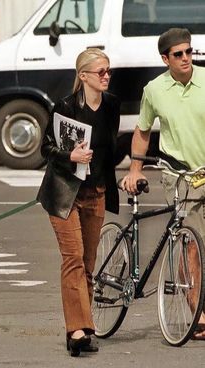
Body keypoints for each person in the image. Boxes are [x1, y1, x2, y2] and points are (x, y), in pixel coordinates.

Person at [121, 27, 205, 340]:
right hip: (179, 175)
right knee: (192, 244)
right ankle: (198, 313)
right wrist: (135, 169)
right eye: (178, 54)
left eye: (189, 52)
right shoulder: (155, 90)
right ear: (165, 58)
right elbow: (143, 132)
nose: (186, 58)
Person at [37, 48, 120, 356]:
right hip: (65, 194)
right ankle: (77, 331)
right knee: (72, 257)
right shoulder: (66, 106)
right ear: (83, 76)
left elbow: (110, 149)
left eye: (109, 71)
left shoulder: (112, 105)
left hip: (95, 192)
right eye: (101, 72)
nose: (107, 76)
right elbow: (44, 148)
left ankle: (83, 326)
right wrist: (69, 155)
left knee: (87, 263)